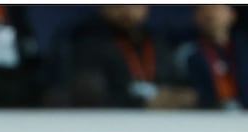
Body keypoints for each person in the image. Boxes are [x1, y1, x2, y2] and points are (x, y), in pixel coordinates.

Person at [65, 5, 197, 109]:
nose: (128, 11)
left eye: (135, 4)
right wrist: (142, 104)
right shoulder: (86, 42)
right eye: (119, 5)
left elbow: (181, 83)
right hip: (109, 124)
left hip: (163, 123)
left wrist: (181, 96)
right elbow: (90, 96)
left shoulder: (157, 42)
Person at [176, 4, 248, 110]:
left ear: (232, 14)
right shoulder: (186, 53)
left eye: (216, 6)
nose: (210, 12)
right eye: (203, 7)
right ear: (194, 16)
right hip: (205, 116)